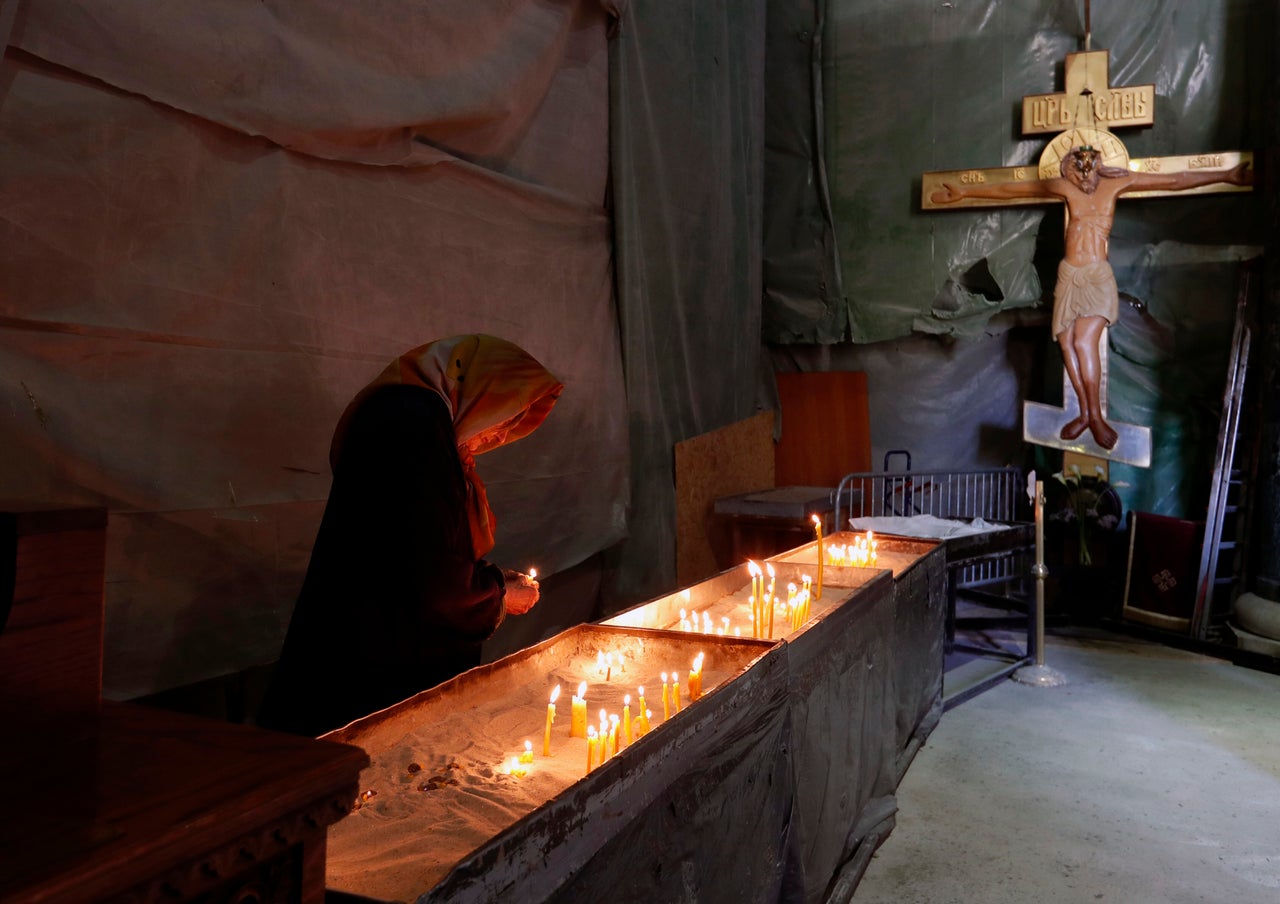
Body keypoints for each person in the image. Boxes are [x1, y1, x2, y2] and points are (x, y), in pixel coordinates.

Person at [258, 334, 563, 736]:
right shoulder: (417, 425)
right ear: (483, 389)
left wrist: (490, 579)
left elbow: (412, 544)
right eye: (503, 419)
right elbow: (437, 584)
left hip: (356, 643)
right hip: (373, 672)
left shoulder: (403, 412)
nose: (495, 438)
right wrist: (499, 594)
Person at [932, 146, 1251, 449]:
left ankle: (1096, 417)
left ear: (1099, 165)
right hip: (1070, 273)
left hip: (1097, 274)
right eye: (1077, 167)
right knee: (1067, 341)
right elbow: (1013, 190)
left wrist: (1225, 176)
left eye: (1089, 167)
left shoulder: (1117, 184)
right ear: (1069, 167)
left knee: (1085, 342)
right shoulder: (1066, 189)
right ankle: (1084, 414)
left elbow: (1175, 180)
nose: (1084, 175)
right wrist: (965, 192)